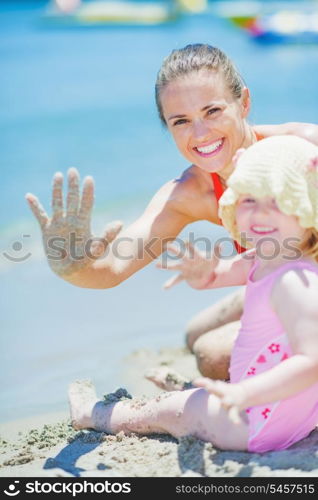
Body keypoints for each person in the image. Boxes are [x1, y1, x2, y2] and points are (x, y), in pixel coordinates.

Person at [26, 44, 318, 380]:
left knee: (211, 354)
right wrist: (71, 265)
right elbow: (111, 268)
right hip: (279, 278)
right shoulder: (191, 192)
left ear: (244, 102)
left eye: (212, 111)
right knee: (195, 334)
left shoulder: (302, 147)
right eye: (181, 121)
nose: (200, 133)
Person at [69, 135, 318, 453]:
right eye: (249, 200)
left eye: (278, 202)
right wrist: (203, 273)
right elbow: (220, 275)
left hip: (252, 422)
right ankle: (204, 393)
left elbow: (312, 361)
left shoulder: (294, 281)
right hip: (287, 415)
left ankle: (92, 414)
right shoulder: (271, 256)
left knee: (163, 410)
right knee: (197, 399)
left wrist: (247, 395)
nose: (259, 214)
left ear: (307, 206)